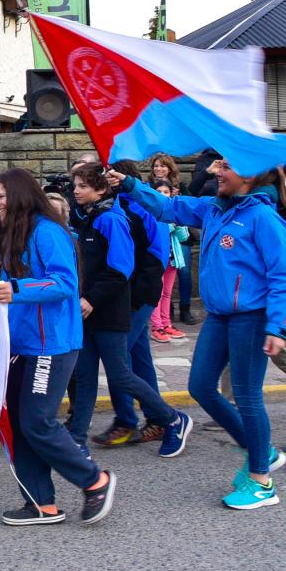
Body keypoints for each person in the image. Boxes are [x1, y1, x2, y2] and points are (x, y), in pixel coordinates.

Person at [110, 160, 286, 510]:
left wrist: (278, 326)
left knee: (247, 396)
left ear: (249, 174)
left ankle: (261, 481)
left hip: (253, 318)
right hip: (219, 316)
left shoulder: (263, 217)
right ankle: (262, 450)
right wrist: (130, 185)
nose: (216, 173)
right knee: (199, 386)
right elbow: (168, 207)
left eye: (227, 167)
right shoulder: (214, 209)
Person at [0, 169, 116, 527]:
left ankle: (95, 481)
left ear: (20, 195)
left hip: (52, 344)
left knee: (38, 421)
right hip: (20, 345)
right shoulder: (10, 234)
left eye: (1, 196)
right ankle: (40, 503)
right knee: (17, 421)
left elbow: (64, 283)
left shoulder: (47, 231)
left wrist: (17, 289)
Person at [65, 165, 190, 458]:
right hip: (91, 308)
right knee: (86, 374)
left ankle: (171, 418)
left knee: (120, 373)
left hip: (115, 307)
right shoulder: (88, 217)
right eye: (75, 185)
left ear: (102, 187)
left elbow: (124, 267)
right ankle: (78, 438)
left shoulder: (114, 217)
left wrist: (95, 299)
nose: (75, 191)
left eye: (82, 185)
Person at [149, 183, 190, 343]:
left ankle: (166, 323)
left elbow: (184, 237)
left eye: (166, 191)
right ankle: (156, 326)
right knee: (157, 294)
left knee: (167, 293)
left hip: (172, 258)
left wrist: (178, 225)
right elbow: (154, 234)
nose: (163, 194)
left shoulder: (173, 212)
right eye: (159, 191)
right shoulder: (150, 211)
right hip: (158, 258)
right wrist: (168, 228)